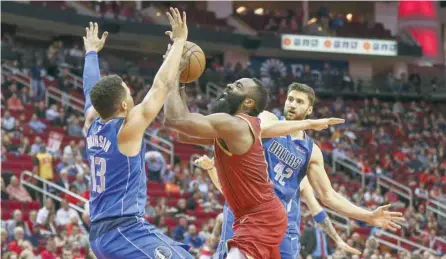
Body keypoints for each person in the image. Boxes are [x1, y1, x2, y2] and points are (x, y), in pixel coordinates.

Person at [188, 83, 404, 258]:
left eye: (299, 102)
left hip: (278, 221)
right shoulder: (268, 119)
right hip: (245, 211)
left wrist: (367, 216)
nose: (292, 104)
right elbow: (252, 128)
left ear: (309, 109)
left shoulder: (312, 151)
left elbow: (328, 196)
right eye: (290, 99)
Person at [164, 60, 345, 257]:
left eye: (238, 85)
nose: (229, 85)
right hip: (254, 216)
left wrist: (175, 73)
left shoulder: (238, 125)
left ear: (249, 102)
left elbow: (176, 120)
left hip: (262, 217)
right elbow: (181, 131)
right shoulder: (235, 127)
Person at [82, 8, 194, 258]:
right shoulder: (126, 130)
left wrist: (91, 53)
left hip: (106, 230)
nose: (132, 94)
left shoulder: (92, 123)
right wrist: (179, 41)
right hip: (121, 229)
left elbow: (90, 88)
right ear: (123, 105)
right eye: (128, 93)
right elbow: (161, 86)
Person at [195, 156, 359, 259]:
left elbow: (317, 210)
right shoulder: (258, 173)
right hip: (258, 232)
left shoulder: (299, 179)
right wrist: (211, 169)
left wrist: (338, 240)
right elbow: (229, 191)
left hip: (285, 234)